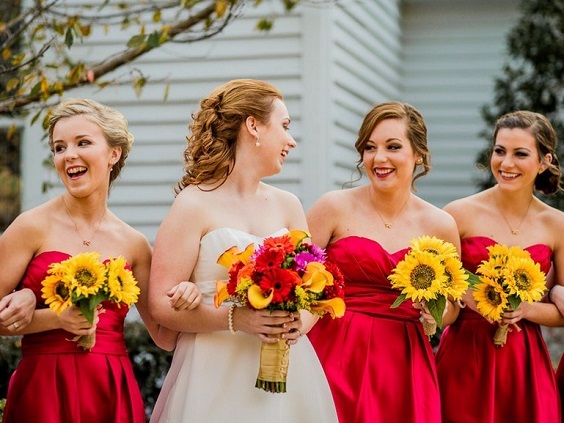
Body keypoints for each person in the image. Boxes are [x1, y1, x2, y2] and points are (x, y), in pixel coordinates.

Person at [148, 79, 338, 423]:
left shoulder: (289, 205)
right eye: (284, 126)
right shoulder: (193, 204)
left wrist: (301, 322)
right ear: (253, 125)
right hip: (211, 369)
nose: (291, 140)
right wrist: (237, 319)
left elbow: (316, 289)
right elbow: (160, 305)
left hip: (287, 372)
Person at [0, 98, 201, 423]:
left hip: (110, 388)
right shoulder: (30, 227)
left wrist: (191, 294)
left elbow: (165, 338)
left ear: (113, 153)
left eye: (83, 143)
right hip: (43, 389)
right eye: (59, 147)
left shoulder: (134, 244)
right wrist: (52, 317)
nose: (69, 156)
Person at [306, 101, 460, 422]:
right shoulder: (332, 208)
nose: (379, 158)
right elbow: (298, 279)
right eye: (370, 148)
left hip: (403, 363)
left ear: (418, 154)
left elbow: (453, 307)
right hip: (332, 354)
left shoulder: (440, 224)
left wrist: (435, 317)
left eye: (393, 147)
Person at [435, 110, 563, 422]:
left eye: (520, 154)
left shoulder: (557, 225)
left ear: (545, 161)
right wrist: (465, 295)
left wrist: (527, 310)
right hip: (465, 353)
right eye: (499, 151)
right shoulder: (458, 214)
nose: (506, 164)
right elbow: (441, 292)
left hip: (524, 361)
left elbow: (562, 311)